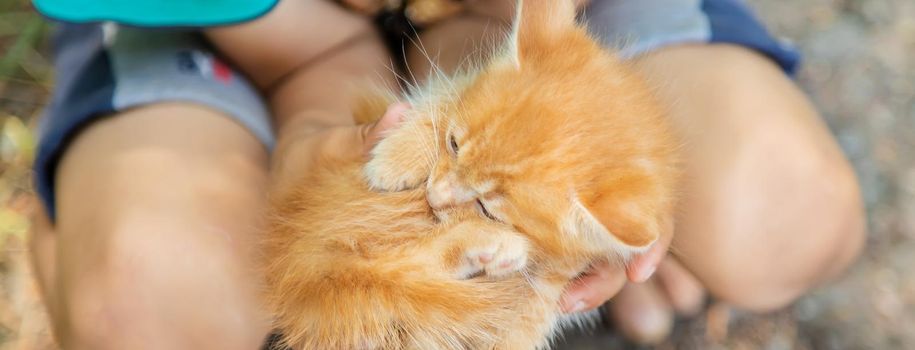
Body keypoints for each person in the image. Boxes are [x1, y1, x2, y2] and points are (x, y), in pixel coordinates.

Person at [28, 0, 865, 348]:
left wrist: (561, 160)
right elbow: (311, 52)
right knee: (145, 303)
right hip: (250, 29)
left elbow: (515, 24)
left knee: (783, 216)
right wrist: (315, 143)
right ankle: (67, 217)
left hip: (527, 24)